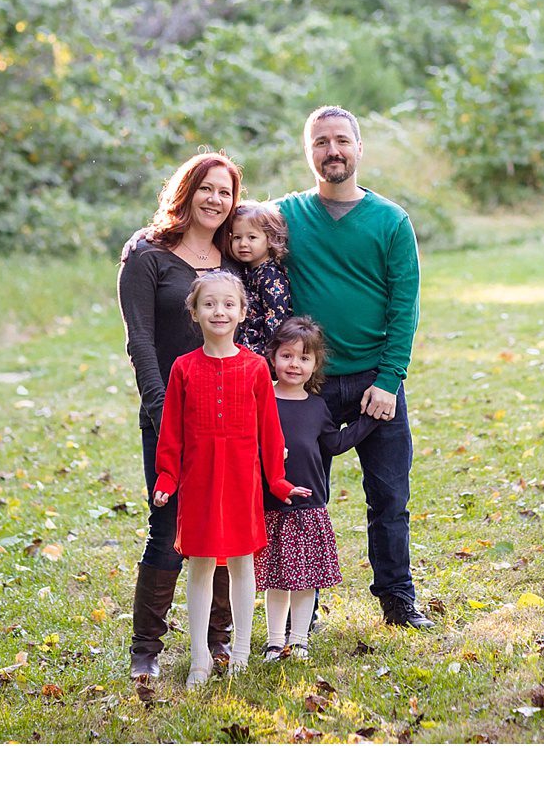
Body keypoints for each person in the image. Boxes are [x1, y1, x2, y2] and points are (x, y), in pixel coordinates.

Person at [275, 106, 434, 629]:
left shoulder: (391, 221)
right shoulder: (285, 216)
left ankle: (397, 601)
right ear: (308, 153)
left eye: (342, 140)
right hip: (306, 385)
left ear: (359, 149)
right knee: (299, 500)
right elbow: (225, 228)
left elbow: (404, 307)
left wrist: (389, 381)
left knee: (389, 496)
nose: (332, 150)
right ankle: (303, 609)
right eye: (320, 142)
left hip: (374, 381)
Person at [118, 151, 243, 680]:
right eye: (206, 189)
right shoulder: (147, 256)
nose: (215, 200)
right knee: (167, 523)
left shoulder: (234, 259)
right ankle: (146, 647)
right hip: (170, 413)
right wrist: (160, 408)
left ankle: (217, 640)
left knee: (223, 522)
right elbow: (140, 341)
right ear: (186, 191)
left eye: (226, 192)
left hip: (230, 415)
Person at [152, 271, 310, 687]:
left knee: (243, 563)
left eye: (227, 304)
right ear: (195, 312)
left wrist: (275, 480)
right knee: (201, 565)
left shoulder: (256, 367)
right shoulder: (183, 369)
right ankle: (199, 658)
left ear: (242, 312)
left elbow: (270, 432)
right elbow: (170, 432)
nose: (218, 311)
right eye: (209, 304)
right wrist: (167, 477)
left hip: (243, 481)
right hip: (199, 481)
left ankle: (241, 651)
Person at [257, 317, 378, 662]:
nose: (294, 364)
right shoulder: (263, 400)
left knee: (306, 578)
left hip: (309, 506)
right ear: (273, 357)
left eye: (304, 358)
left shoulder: (316, 406)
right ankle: (274, 640)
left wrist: (368, 420)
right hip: (272, 506)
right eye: (287, 355)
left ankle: (299, 640)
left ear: (315, 366)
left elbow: (335, 444)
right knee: (278, 579)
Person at [229, 200, 294, 356]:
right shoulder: (247, 271)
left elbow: (276, 322)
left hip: (260, 355)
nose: (243, 243)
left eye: (252, 237)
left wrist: (266, 358)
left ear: (270, 240)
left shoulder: (271, 276)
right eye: (237, 237)